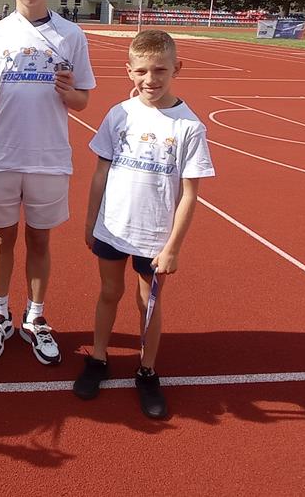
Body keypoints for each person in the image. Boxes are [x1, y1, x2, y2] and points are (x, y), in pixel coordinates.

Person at [73, 29, 215, 419]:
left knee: (147, 304)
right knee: (108, 293)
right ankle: (99, 360)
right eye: (141, 71)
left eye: (160, 70)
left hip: (154, 237)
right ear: (129, 71)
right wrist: (90, 221)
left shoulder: (188, 127)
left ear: (176, 69)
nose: (150, 79)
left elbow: (189, 194)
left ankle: (147, 370)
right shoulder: (119, 114)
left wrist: (172, 247)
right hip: (112, 228)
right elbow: (100, 172)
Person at [0, 0, 95, 365]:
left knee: (39, 240)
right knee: (2, 239)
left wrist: (68, 93)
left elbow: (83, 100)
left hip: (48, 158)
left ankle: (36, 317)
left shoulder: (71, 34)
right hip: (1, 155)